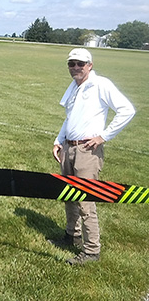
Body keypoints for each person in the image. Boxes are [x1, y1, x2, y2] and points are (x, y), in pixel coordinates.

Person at [50, 48, 135, 265]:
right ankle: (72, 235)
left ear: (90, 65)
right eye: (72, 64)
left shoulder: (101, 84)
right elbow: (69, 119)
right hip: (69, 147)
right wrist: (59, 140)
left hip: (88, 151)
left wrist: (103, 136)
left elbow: (127, 110)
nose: (76, 67)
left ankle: (91, 250)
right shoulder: (75, 87)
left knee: (86, 201)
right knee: (68, 195)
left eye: (80, 63)